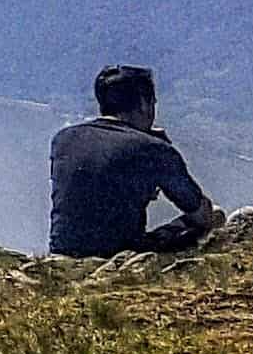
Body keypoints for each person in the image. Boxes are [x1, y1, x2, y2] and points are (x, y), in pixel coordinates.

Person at [47, 64, 222, 257]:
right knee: (215, 216)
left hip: (62, 253)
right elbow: (200, 213)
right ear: (144, 104)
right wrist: (162, 154)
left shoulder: (63, 139)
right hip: (119, 255)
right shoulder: (154, 149)